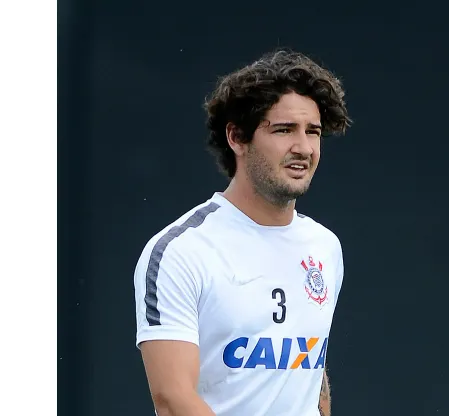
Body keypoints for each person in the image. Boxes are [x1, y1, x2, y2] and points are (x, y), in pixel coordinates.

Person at [132, 49, 352, 416]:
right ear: (236, 137)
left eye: (312, 132)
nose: (303, 148)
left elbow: (310, 374)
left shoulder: (325, 247)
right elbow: (173, 400)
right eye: (283, 130)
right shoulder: (181, 250)